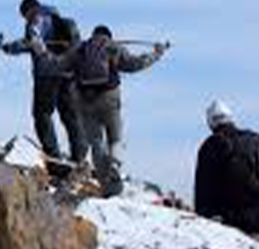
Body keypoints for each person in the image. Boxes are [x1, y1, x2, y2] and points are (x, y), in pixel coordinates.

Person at [33, 24, 169, 196]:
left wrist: (41, 50)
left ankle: (107, 187)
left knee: (96, 141)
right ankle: (115, 164)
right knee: (115, 137)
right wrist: (157, 53)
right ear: (108, 36)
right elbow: (135, 64)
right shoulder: (113, 47)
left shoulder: (80, 48)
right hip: (109, 98)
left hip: (84, 100)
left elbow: (56, 65)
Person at [0, 0, 86, 162]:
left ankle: (53, 157)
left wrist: (6, 47)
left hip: (46, 75)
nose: (25, 18)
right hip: (68, 74)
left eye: (24, 15)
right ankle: (79, 158)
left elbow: (30, 43)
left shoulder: (35, 20)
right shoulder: (60, 19)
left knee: (42, 114)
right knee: (70, 116)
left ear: (28, 10)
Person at [194, 100, 259, 248]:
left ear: (210, 123)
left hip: (236, 225)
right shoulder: (258, 140)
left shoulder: (209, 148)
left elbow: (203, 193)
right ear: (231, 118)